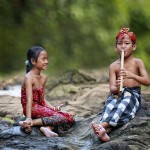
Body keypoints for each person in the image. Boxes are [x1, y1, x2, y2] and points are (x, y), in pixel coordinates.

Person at [92, 28, 150, 142]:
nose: (123, 46)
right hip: (117, 94)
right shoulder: (113, 66)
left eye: (127, 43)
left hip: (132, 94)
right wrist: (118, 88)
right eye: (120, 43)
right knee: (109, 106)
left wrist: (131, 75)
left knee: (123, 106)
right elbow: (112, 89)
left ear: (134, 47)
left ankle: (101, 126)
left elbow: (147, 82)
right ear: (115, 47)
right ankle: (104, 132)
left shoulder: (138, 62)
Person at [19, 46, 75, 137]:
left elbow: (42, 98)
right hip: (31, 108)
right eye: (43, 59)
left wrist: (53, 108)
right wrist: (28, 118)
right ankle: (30, 122)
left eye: (47, 59)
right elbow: (29, 100)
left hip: (41, 107)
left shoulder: (44, 78)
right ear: (33, 61)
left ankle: (47, 128)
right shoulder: (28, 78)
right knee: (60, 118)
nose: (46, 62)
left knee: (70, 118)